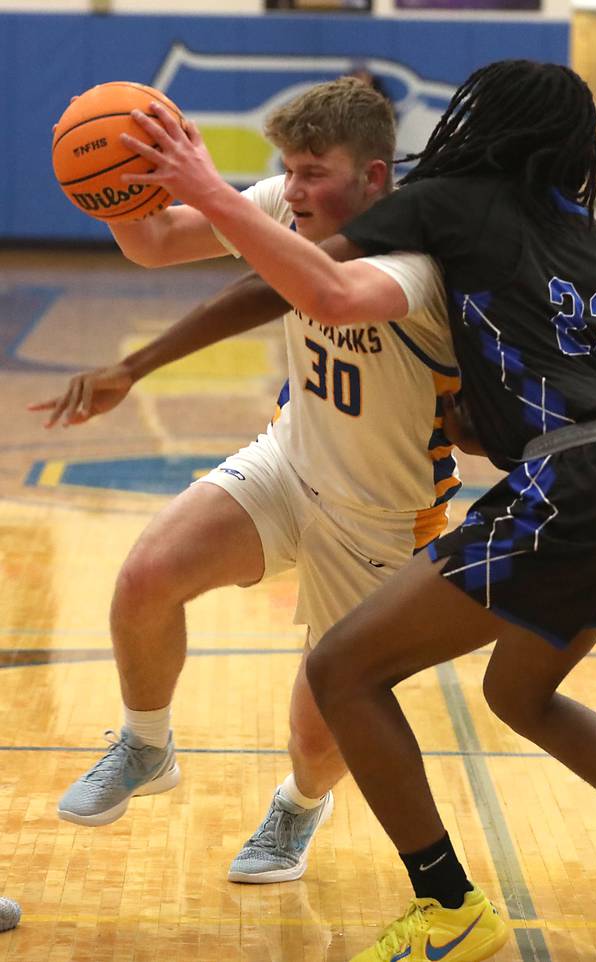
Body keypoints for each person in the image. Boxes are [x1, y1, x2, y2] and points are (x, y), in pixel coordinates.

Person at [120, 59, 596, 962]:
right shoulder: (593, 244)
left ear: (484, 122)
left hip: (569, 484)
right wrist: (484, 406)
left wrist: (193, 223)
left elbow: (324, 290)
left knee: (343, 669)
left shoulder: (459, 204)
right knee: (520, 695)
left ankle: (448, 904)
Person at [31, 77, 462, 888]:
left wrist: (200, 193)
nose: (292, 190)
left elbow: (315, 291)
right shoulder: (289, 202)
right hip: (290, 459)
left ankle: (299, 806)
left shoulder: (417, 258)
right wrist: (122, 177)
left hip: (382, 514)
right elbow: (155, 242)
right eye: (287, 171)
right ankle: (145, 743)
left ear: (373, 178)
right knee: (146, 576)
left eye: (313, 172)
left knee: (317, 729)